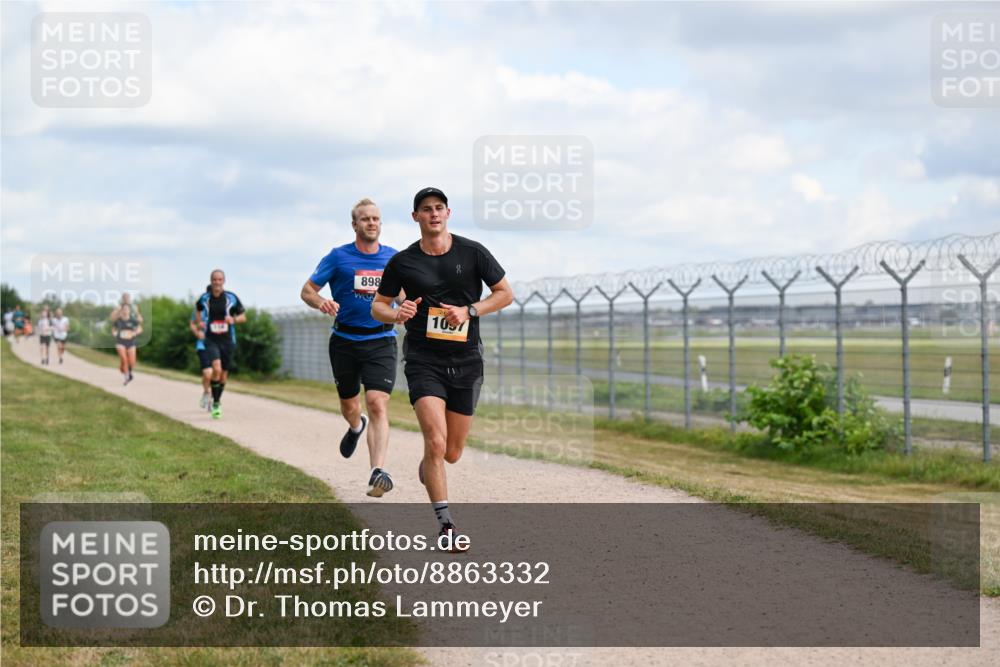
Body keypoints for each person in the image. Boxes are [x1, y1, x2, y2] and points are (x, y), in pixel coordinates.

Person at [372, 187, 514, 549]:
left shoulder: (473, 252)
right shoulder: (403, 262)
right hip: (423, 360)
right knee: (434, 441)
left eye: (438, 208)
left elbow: (504, 293)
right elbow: (379, 306)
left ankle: (431, 464)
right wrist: (397, 314)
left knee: (451, 451)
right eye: (425, 209)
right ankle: (447, 525)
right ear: (415, 217)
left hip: (466, 360)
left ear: (448, 213)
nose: (433, 214)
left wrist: (470, 311)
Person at [301, 198, 400, 497]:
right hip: (344, 341)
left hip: (381, 339)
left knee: (377, 402)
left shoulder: (394, 259)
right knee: (350, 406)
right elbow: (307, 290)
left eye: (376, 219)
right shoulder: (338, 257)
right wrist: (322, 302)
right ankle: (356, 426)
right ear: (355, 224)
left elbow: (407, 295)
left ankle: (377, 472)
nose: (372, 223)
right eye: (366, 219)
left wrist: (410, 307)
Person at [193, 270, 246, 419]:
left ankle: (217, 400)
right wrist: (200, 323)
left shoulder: (231, 298)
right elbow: (197, 310)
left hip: (228, 340)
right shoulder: (204, 298)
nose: (217, 282)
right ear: (211, 281)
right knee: (216, 368)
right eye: (214, 280)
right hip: (211, 340)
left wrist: (233, 320)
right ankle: (215, 403)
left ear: (224, 281)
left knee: (223, 374)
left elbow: (243, 316)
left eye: (220, 279)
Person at [190, 285, 214, 411]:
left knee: (216, 373)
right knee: (207, 373)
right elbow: (192, 324)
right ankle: (206, 392)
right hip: (203, 345)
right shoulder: (199, 310)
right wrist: (196, 332)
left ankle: (213, 398)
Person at [112, 302, 142, 384]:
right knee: (124, 359)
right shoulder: (118, 321)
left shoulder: (133, 320)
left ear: (129, 311)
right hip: (120, 342)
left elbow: (139, 329)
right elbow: (113, 331)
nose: (125, 311)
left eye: (127, 309)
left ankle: (125, 368)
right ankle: (127, 377)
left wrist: (135, 333)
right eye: (124, 309)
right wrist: (115, 334)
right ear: (121, 311)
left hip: (131, 342)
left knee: (132, 362)